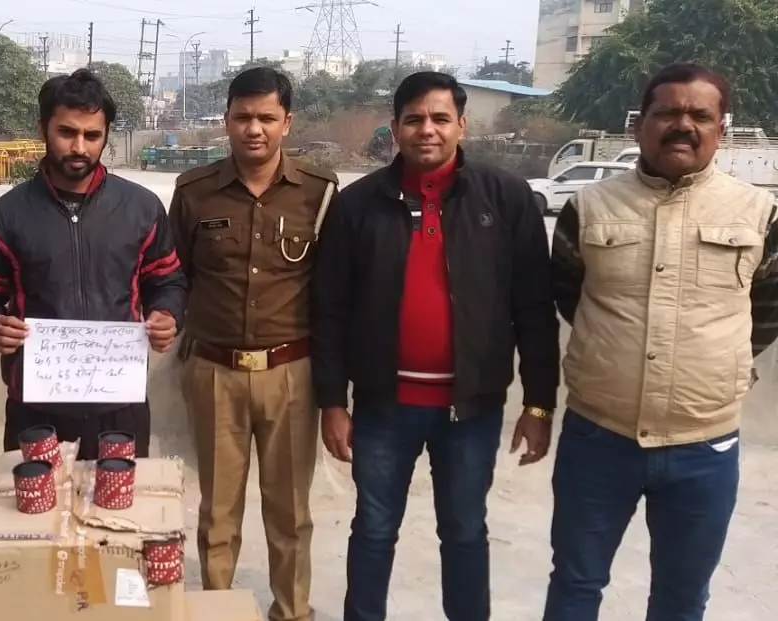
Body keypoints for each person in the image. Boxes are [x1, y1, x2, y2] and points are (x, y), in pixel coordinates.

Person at [310, 71, 560, 621]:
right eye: (414, 119)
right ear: (395, 127)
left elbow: (534, 310)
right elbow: (329, 309)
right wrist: (332, 401)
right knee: (374, 528)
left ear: (462, 125)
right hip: (383, 407)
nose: (428, 129)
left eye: (440, 118)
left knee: (465, 531)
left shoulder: (507, 199)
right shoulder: (358, 205)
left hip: (470, 410)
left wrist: (539, 404)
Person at [545, 62, 778, 621]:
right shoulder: (588, 208)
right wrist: (615, 353)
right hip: (598, 439)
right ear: (639, 124)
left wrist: (715, 364)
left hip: (704, 446)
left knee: (681, 597)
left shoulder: (759, 213)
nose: (683, 125)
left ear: (721, 128)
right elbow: (570, 296)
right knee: (575, 583)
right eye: (667, 112)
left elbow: (767, 312)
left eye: (700, 115)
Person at [168, 67, 338, 621]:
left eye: (266, 117)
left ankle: (292, 610)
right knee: (218, 511)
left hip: (292, 374)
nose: (254, 129)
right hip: (214, 372)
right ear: (226, 121)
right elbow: (174, 277)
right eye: (243, 117)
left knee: (290, 512)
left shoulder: (319, 192)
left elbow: (333, 288)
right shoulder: (193, 191)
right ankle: (220, 608)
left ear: (287, 122)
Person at [0, 69, 186, 460]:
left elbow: (168, 282)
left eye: (92, 136)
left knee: (117, 498)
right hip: (35, 409)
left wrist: (166, 314)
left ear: (106, 136)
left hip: (120, 406)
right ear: (43, 128)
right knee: (37, 500)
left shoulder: (141, 209)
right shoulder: (7, 216)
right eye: (66, 132)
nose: (79, 147)